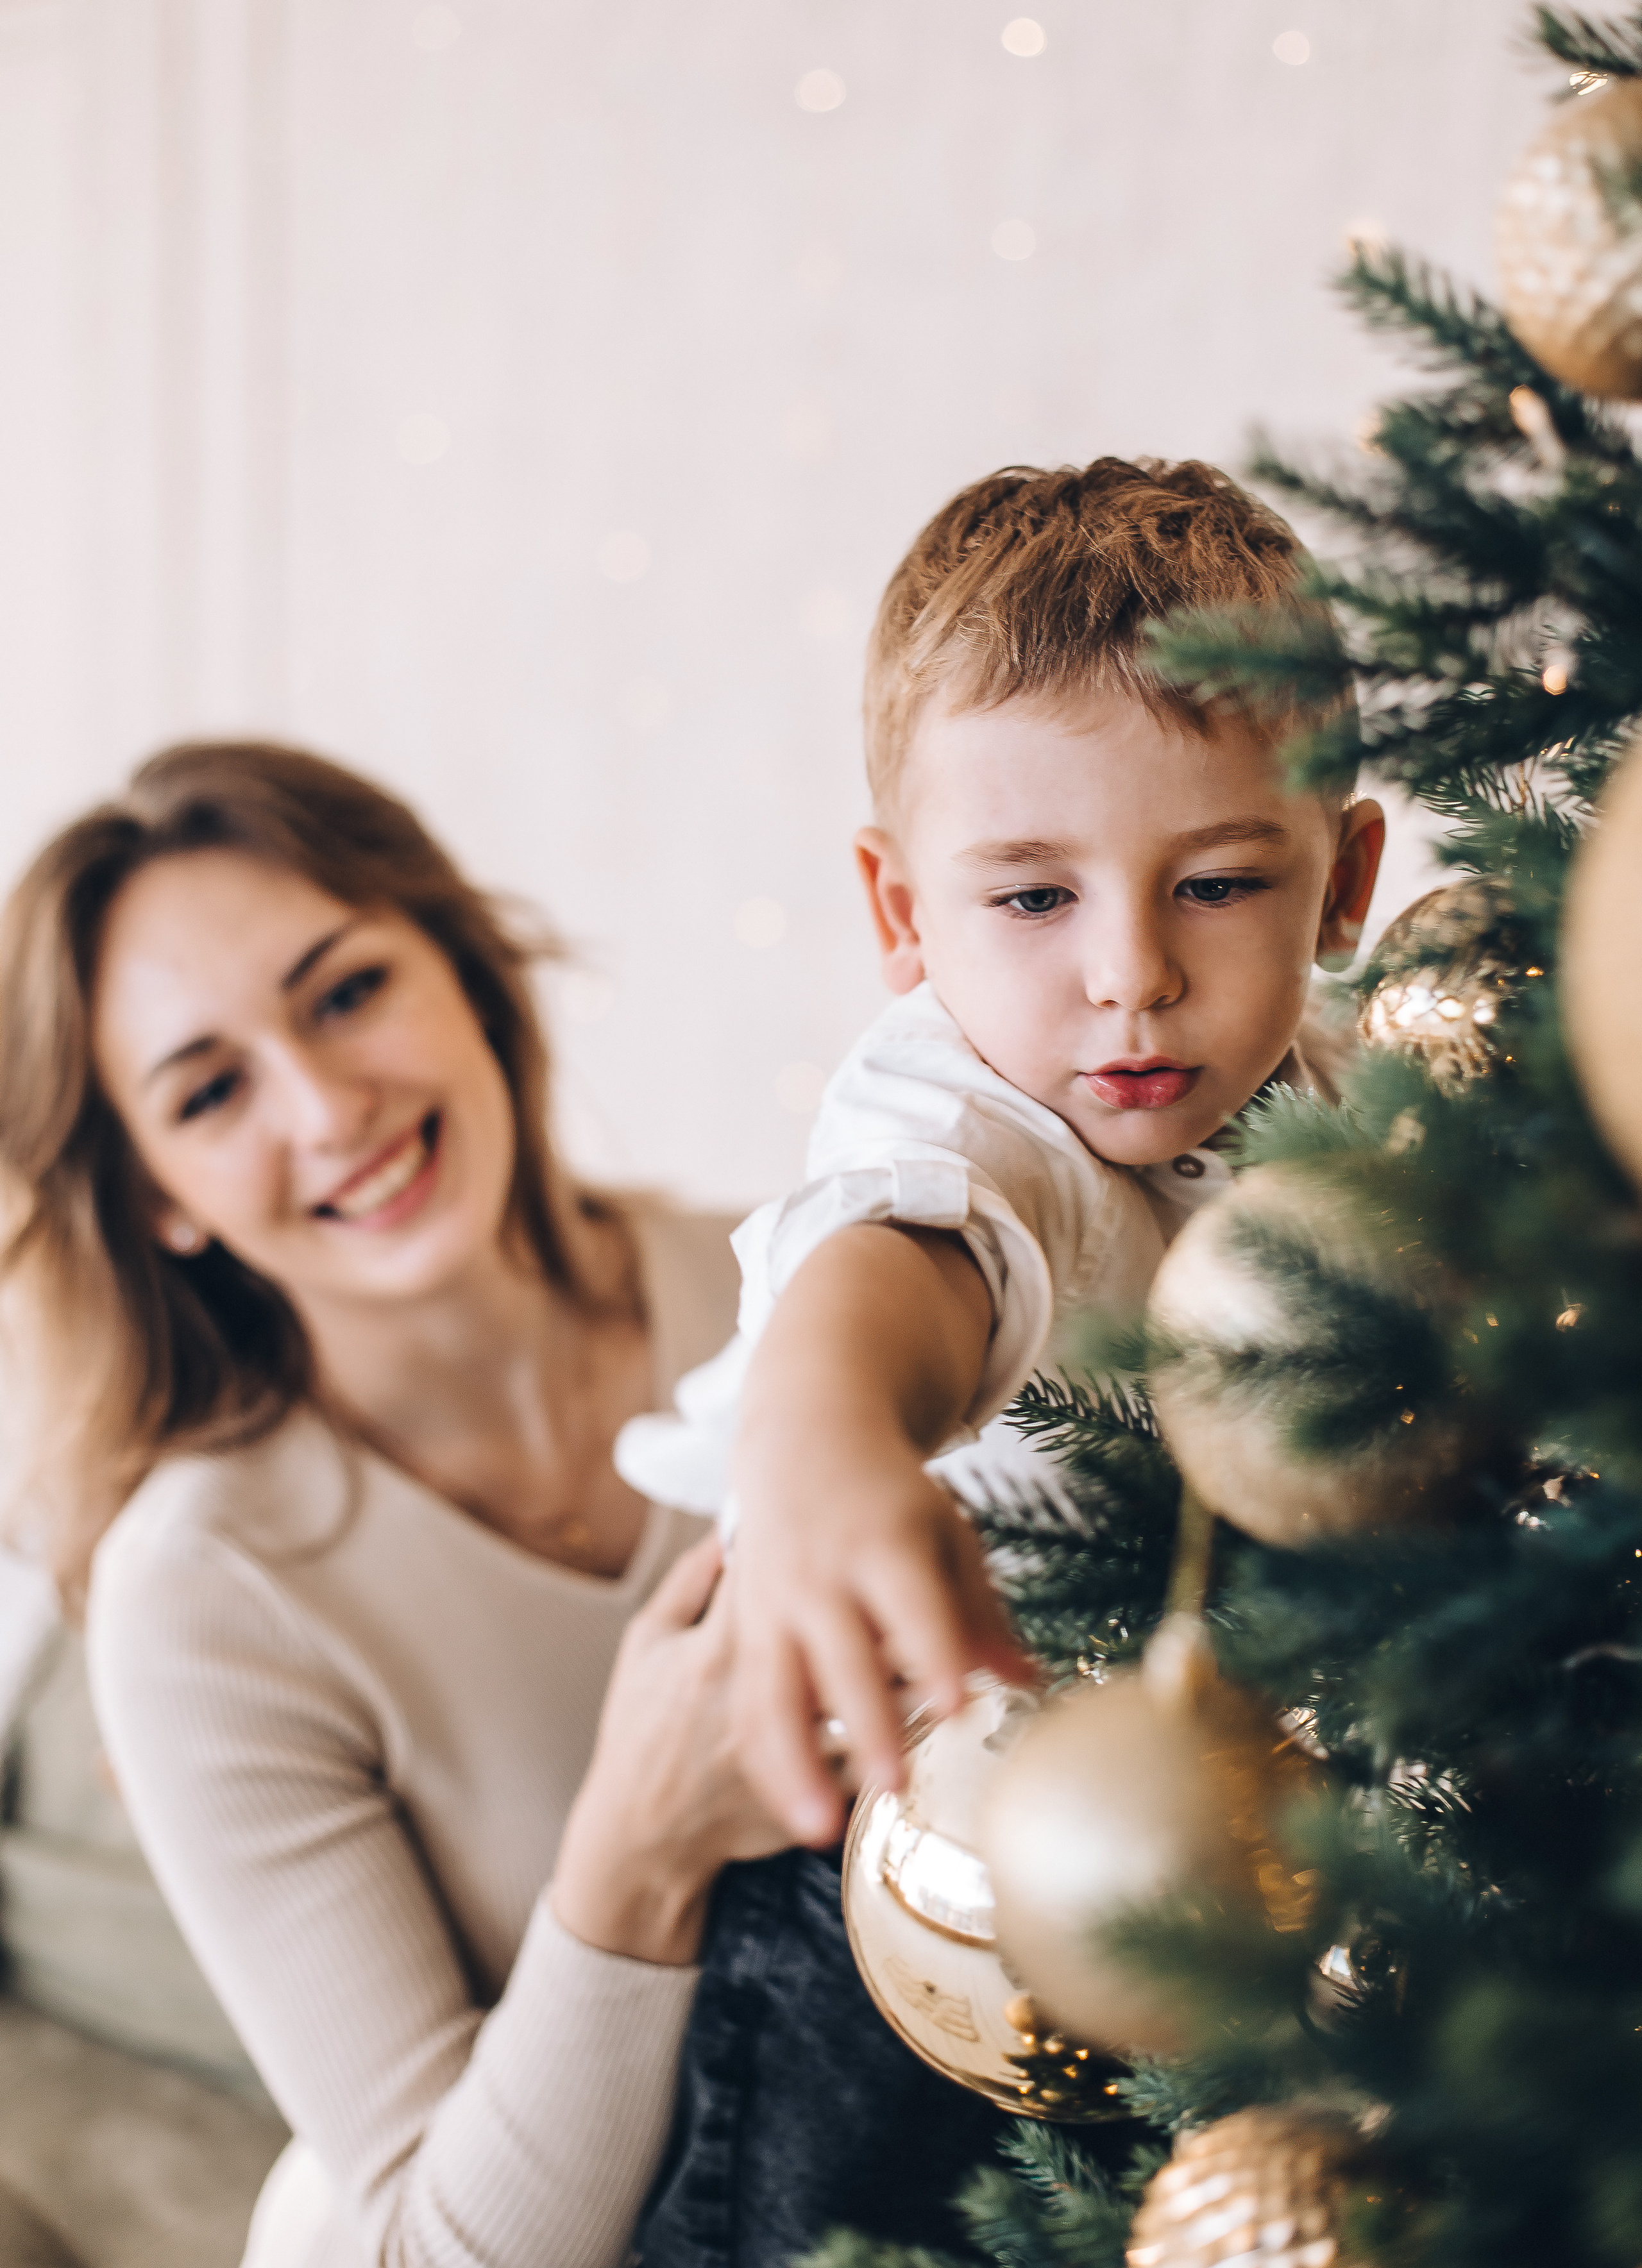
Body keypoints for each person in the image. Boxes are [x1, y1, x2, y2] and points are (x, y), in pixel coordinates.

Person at [625, 461, 1385, 2268]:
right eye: (1031, 900)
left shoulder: (1348, 1083)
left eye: (1215, 881)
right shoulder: (964, 1108)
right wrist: (825, 1448)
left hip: (1205, 1872)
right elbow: (901, 1263)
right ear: (903, 913)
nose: (1132, 976)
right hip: (882, 1889)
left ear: (1343, 879)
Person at [0, 743, 790, 2268]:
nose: (324, 1103)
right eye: (212, 1088)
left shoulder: (802, 1295)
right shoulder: (202, 1589)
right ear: (162, 1191)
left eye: (347, 989)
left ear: (464, 970)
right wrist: (633, 1851)